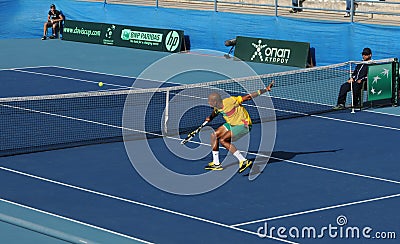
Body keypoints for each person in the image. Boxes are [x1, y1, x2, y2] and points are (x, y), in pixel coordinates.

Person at [204, 82, 274, 173]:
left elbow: (248, 97)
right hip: (232, 123)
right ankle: (216, 164)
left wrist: (266, 90)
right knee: (214, 136)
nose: (208, 102)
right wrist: (210, 117)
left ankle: (243, 161)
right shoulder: (217, 107)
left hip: (243, 125)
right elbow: (215, 112)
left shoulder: (231, 101)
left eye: (210, 101)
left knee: (223, 140)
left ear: (215, 102)